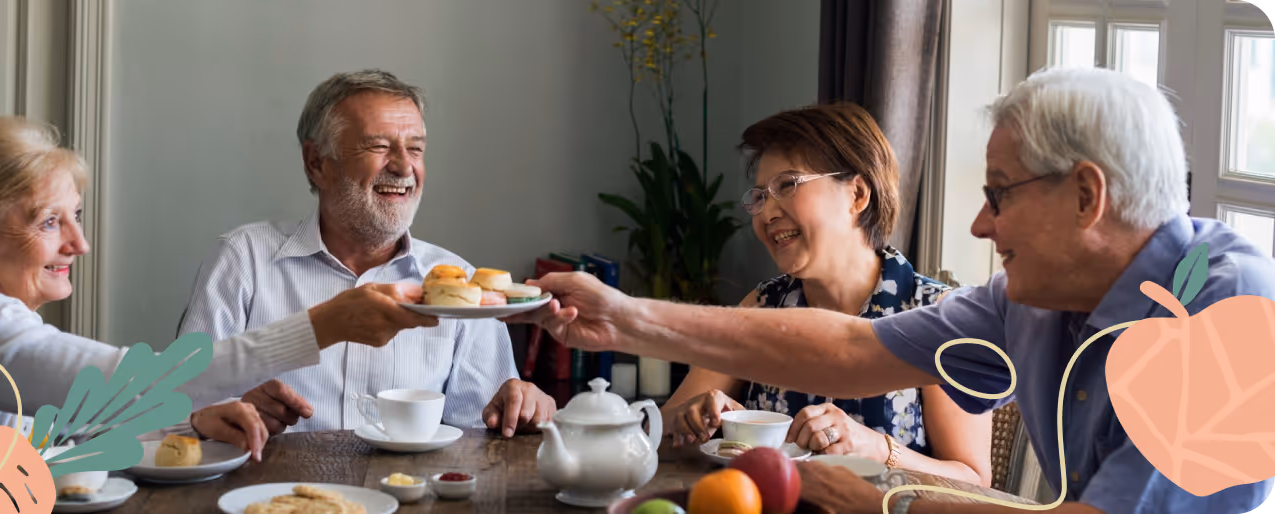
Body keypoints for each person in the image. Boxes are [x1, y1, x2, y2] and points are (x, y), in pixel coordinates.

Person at [510, 67, 1275, 513]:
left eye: (999, 193)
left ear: (1086, 195)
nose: (979, 223)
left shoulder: (1227, 314)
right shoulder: (1028, 297)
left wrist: (894, 496)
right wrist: (626, 318)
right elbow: (851, 351)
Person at [0, 116, 436, 511]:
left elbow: (58, 438)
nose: (79, 243)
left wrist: (187, 427)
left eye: (76, 216)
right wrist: (325, 325)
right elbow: (129, 380)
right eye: (50, 222)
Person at [177, 69, 554, 438]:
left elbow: (480, 436)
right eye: (379, 146)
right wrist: (225, 411)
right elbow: (172, 405)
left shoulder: (460, 283)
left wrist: (519, 410)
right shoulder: (242, 260)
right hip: (274, 496)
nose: (405, 166)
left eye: (416, 148)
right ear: (316, 163)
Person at [662, 103, 991, 487]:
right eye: (760, 196)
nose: (767, 212)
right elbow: (662, 435)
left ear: (857, 195)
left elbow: (973, 482)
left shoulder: (936, 315)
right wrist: (693, 417)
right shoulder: (763, 306)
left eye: (786, 185)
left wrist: (878, 448)